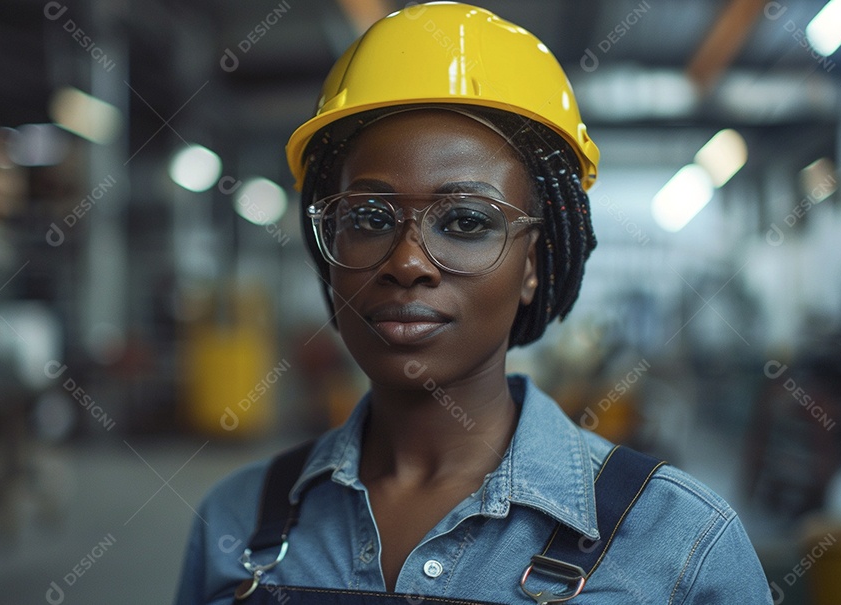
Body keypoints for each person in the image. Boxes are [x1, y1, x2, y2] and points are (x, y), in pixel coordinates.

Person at [175, 3, 772, 603]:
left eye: (465, 221)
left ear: (532, 266)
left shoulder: (683, 549)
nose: (407, 262)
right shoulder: (236, 522)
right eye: (369, 217)